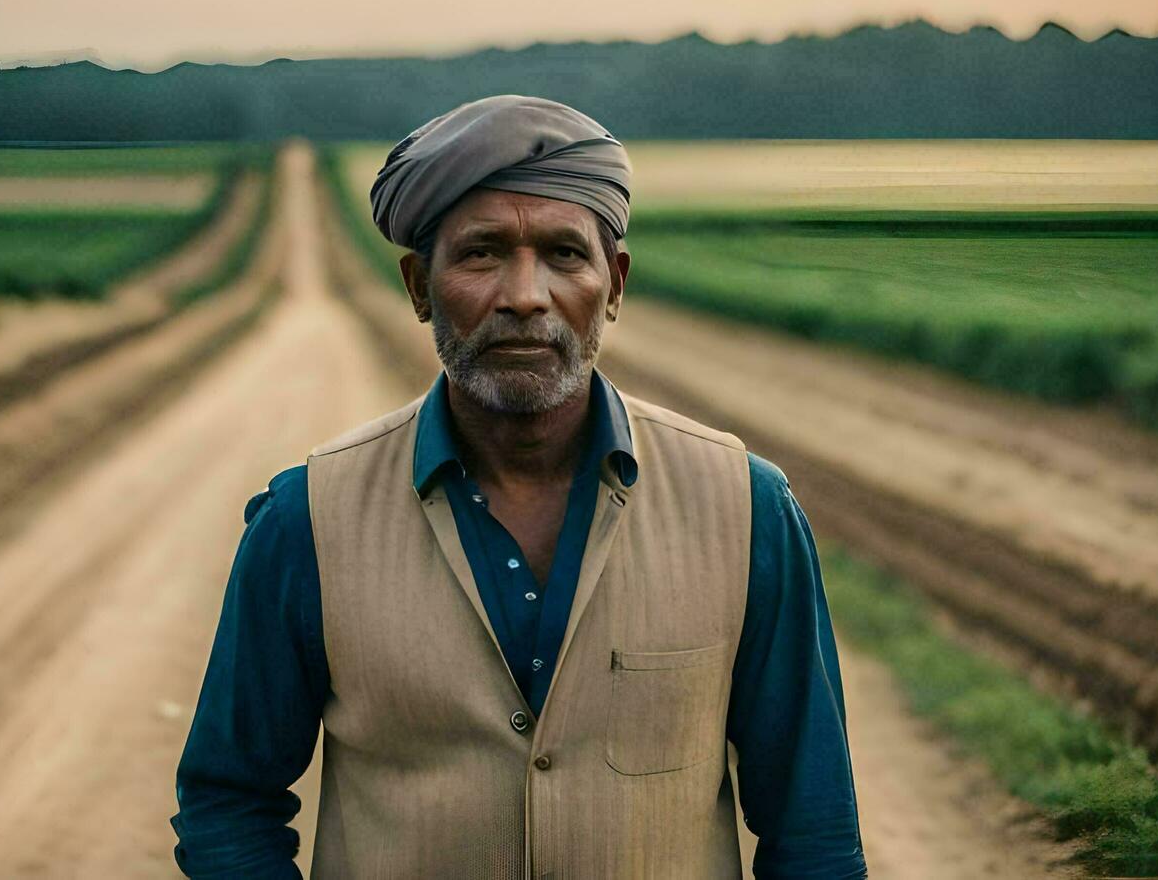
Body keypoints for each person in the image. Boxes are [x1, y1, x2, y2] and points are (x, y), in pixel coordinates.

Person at [170, 95, 866, 878]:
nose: (524, 296)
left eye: (565, 255)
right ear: (419, 286)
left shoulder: (747, 510)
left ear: (615, 284)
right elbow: (229, 803)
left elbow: (813, 832)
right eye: (481, 254)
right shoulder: (308, 520)